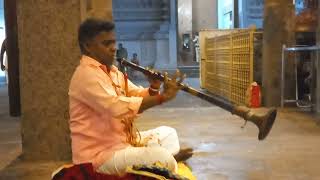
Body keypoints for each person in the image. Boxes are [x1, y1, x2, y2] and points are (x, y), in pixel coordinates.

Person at [68, 18, 192, 176]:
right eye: (106, 44)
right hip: (100, 157)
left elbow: (135, 94)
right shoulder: (86, 75)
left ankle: (164, 161)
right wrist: (161, 98)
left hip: (124, 144)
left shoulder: (112, 71)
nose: (113, 48)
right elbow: (116, 107)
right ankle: (165, 161)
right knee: (161, 156)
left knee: (169, 133)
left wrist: (154, 88)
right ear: (88, 46)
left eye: (113, 42)